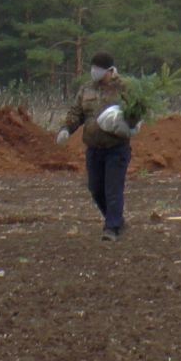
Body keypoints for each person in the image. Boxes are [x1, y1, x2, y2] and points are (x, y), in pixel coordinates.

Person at [56, 52, 135, 240]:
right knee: (96, 188)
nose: (94, 73)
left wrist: (129, 123)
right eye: (92, 69)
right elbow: (76, 112)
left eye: (98, 70)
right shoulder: (86, 89)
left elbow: (136, 113)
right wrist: (66, 128)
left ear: (109, 70)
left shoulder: (124, 88)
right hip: (94, 148)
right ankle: (116, 220)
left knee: (113, 189)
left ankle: (112, 228)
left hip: (116, 148)